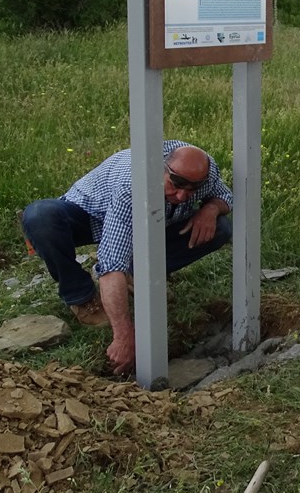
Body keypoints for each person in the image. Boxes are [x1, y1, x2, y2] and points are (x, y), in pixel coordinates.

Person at [20, 141, 233, 374]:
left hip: (146, 223)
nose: (182, 196)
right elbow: (112, 266)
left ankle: (135, 273)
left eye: (192, 189)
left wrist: (210, 210)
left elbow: (224, 194)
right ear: (161, 169)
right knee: (40, 217)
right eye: (177, 184)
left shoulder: (204, 171)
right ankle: (80, 296)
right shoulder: (133, 186)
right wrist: (124, 337)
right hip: (88, 216)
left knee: (220, 228)